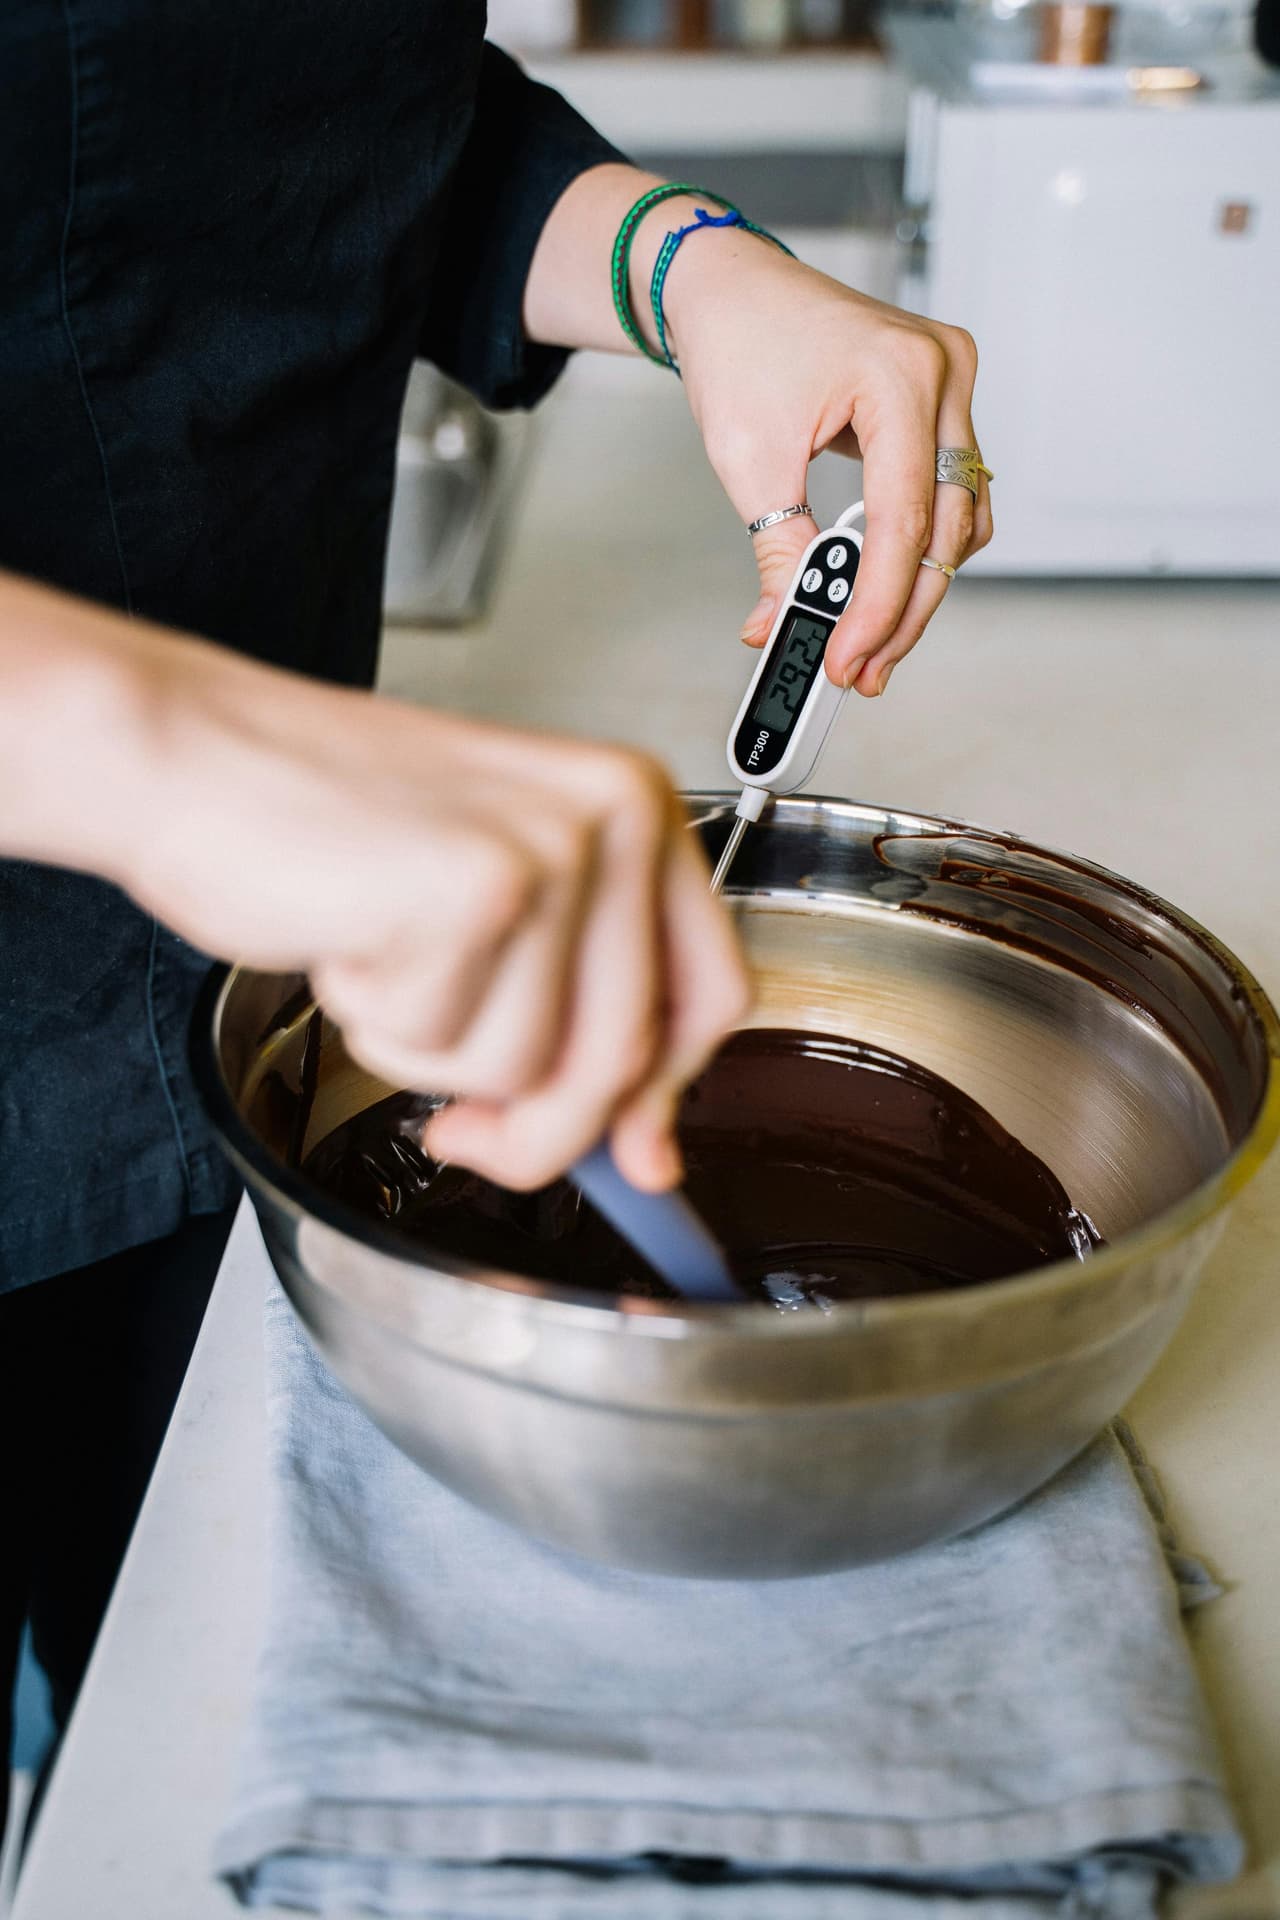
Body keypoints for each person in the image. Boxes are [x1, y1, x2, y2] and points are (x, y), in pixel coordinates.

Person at [0, 3, 989, 1836]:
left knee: (161, 1764)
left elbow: (300, 129)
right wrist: (170, 747)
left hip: (249, 1011)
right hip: (186, 878)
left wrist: (682, 269)